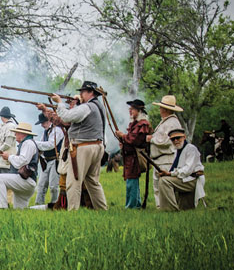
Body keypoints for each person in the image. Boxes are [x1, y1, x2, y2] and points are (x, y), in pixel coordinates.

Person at [51, 81, 108, 211]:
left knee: (73, 181)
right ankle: (102, 209)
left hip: (84, 146)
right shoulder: (96, 106)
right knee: (93, 182)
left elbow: (66, 117)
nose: (80, 94)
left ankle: (72, 212)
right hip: (96, 146)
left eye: (83, 91)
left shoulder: (87, 107)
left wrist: (59, 102)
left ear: (90, 92)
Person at [157, 129, 206, 211]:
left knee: (164, 181)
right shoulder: (177, 151)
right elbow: (179, 169)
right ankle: (176, 208)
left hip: (193, 180)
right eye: (173, 139)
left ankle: (170, 210)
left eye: (178, 138)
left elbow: (187, 170)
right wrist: (168, 173)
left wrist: (169, 174)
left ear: (184, 137)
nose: (176, 141)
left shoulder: (191, 149)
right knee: (186, 210)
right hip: (184, 180)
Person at [0, 122, 39, 209]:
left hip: (26, 180)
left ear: (23, 134)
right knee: (20, 210)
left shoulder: (28, 143)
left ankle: (1, 208)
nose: (15, 134)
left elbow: (21, 161)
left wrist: (9, 157)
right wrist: (9, 157)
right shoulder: (27, 143)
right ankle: (47, 207)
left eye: (17, 132)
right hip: (25, 180)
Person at [148, 95, 183, 208]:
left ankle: (168, 207)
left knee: (165, 185)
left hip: (166, 158)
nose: (160, 110)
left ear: (165, 109)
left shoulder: (172, 123)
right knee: (158, 185)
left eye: (161, 108)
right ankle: (161, 207)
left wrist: (152, 139)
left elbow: (168, 141)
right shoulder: (166, 122)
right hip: (160, 158)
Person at [115, 99, 151, 209]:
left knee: (132, 181)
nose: (130, 111)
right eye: (130, 109)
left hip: (135, 156)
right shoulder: (135, 124)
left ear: (139, 111)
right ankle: (135, 204)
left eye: (133, 109)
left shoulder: (143, 124)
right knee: (131, 180)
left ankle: (132, 206)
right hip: (130, 156)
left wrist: (122, 136)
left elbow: (134, 140)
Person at [34, 113, 64, 206]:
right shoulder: (46, 131)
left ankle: (55, 204)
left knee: (53, 186)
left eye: (44, 122)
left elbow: (51, 145)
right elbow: (43, 144)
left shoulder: (57, 130)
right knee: (41, 185)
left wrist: (34, 143)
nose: (42, 125)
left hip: (55, 160)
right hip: (46, 161)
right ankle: (38, 204)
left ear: (49, 121)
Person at [0, 106, 18, 203]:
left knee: (6, 181)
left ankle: (8, 202)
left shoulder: (10, 127)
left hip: (7, 159)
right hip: (2, 159)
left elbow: (7, 144)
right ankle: (2, 201)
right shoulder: (5, 126)